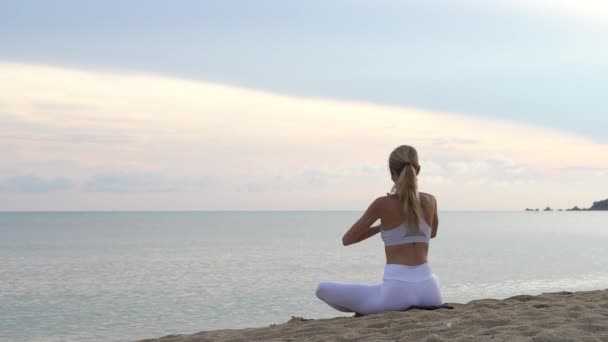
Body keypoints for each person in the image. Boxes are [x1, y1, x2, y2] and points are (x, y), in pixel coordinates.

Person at [315, 145, 443, 316]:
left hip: (396, 295)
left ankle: (365, 310)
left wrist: (380, 228)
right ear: (417, 170)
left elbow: (348, 239)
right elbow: (432, 234)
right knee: (374, 293)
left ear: (391, 172)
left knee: (322, 289)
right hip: (431, 293)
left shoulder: (383, 204)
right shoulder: (431, 200)